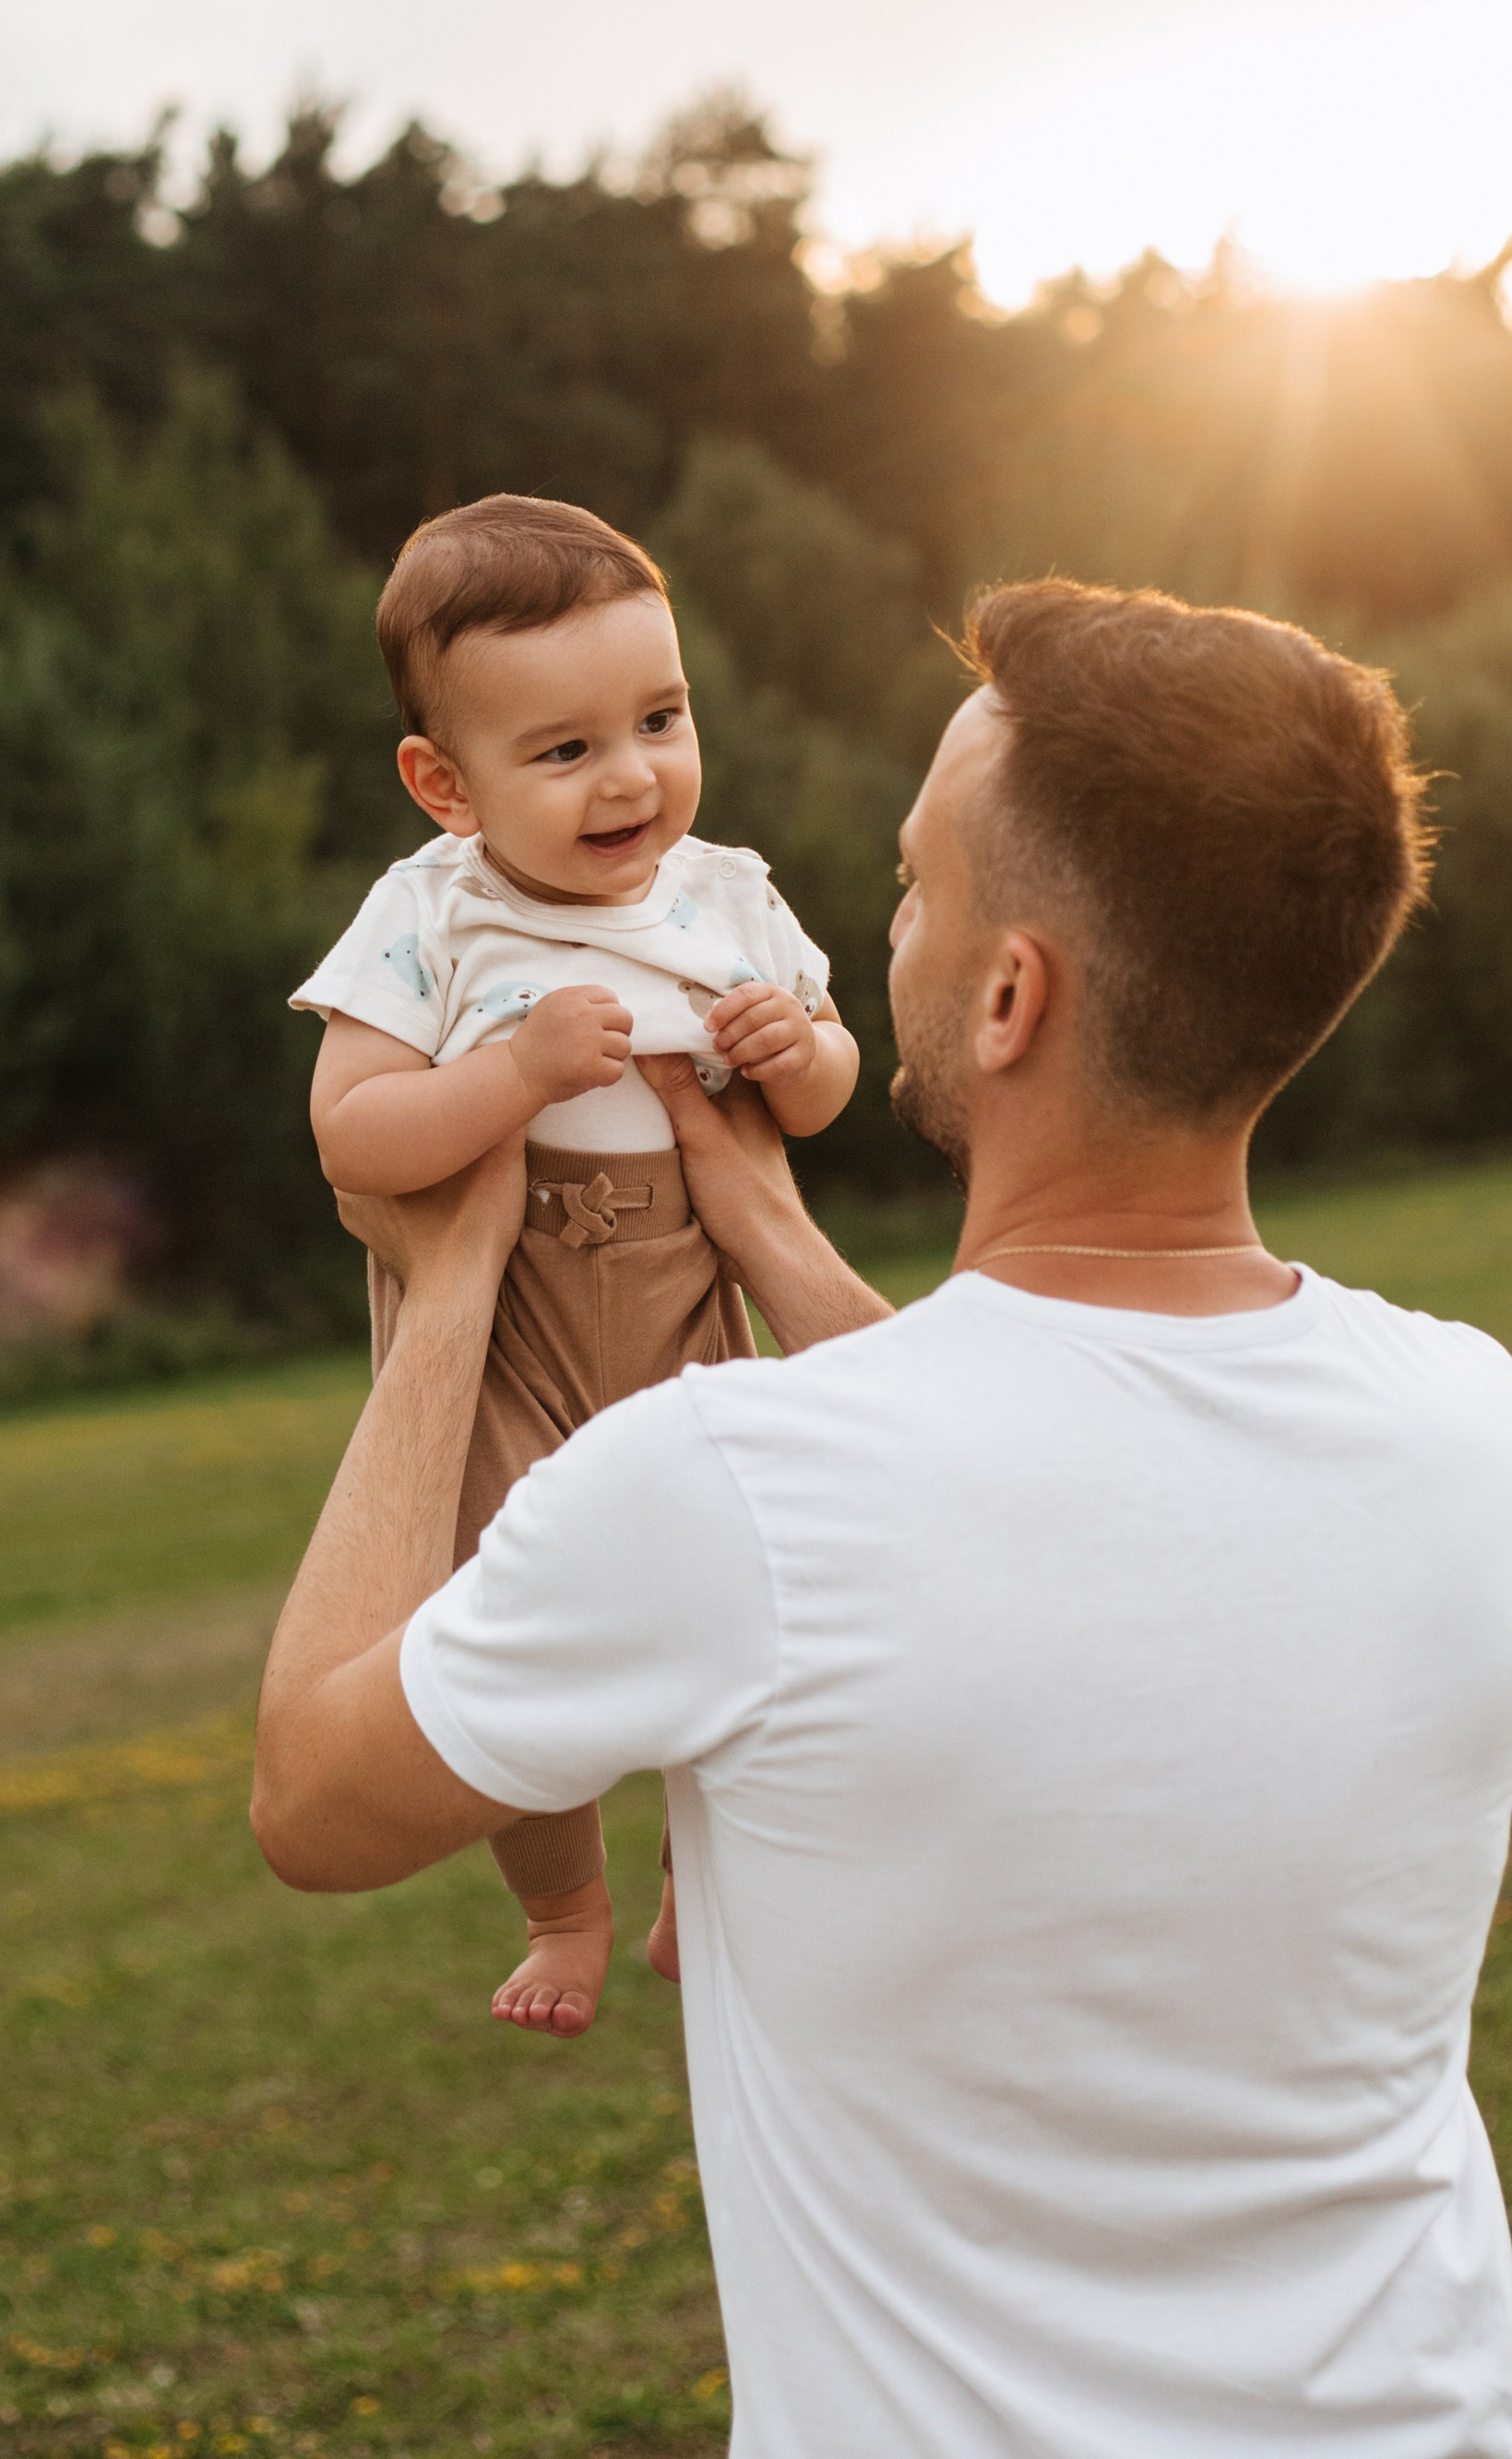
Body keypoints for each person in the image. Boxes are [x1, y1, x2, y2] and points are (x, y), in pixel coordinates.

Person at [255, 580, 1512, 2459]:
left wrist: (448, 1284)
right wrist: (772, 1234)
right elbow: (1040, 1470)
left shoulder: (729, 1491)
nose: (872, 933)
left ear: (1011, 993)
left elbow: (312, 1799)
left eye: (907, 891)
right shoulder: (1476, 1427)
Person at [292, 493, 860, 2036]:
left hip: (690, 1301)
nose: (632, 777)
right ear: (442, 783)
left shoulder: (727, 892)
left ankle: (700, 1879)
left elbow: (828, 1084)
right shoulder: (429, 916)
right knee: (491, 1621)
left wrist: (792, 1047)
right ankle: (565, 1903)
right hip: (509, 1338)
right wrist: (515, 1076)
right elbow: (354, 1133)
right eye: (565, 751)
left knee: (742, 1596)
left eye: (661, 719)